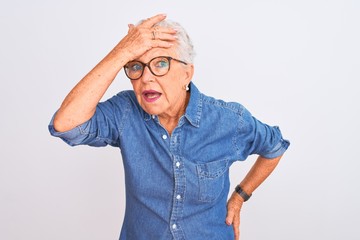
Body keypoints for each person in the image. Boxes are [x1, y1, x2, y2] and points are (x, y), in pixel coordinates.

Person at [48, 14, 290, 240]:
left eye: (160, 64)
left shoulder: (227, 119)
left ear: (187, 73)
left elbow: (275, 146)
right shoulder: (125, 112)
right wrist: (121, 52)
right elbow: (66, 123)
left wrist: (240, 196)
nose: (145, 78)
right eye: (135, 65)